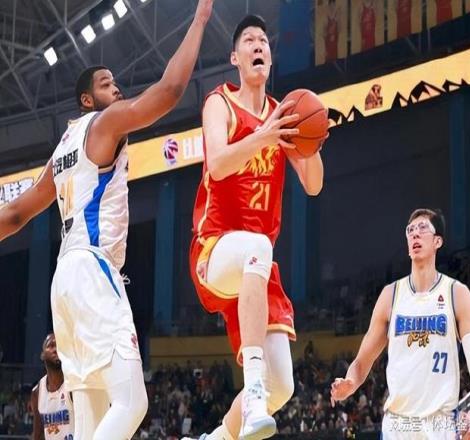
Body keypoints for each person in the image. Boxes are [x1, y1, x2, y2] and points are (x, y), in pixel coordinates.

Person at [0, 1, 213, 438]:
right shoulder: (105, 122)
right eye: (106, 84)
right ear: (87, 99)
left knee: (91, 424)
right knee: (133, 402)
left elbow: (16, 214)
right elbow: (171, 90)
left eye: (115, 83)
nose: (116, 89)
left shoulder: (62, 148)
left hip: (65, 283)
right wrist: (200, 19)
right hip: (93, 271)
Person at [186, 14, 325, 440]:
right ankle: (254, 394)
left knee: (283, 386)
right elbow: (218, 163)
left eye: (263, 40)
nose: (258, 45)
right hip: (215, 250)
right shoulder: (220, 103)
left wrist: (311, 137)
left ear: (269, 57)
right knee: (257, 247)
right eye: (249, 40)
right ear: (235, 57)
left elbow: (314, 185)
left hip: (256, 269)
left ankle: (215, 438)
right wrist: (266, 135)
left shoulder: (284, 116)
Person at [331, 208, 470, 439]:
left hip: (440, 424)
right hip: (397, 426)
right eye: (410, 230)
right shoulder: (390, 295)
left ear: (437, 241)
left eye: (423, 228)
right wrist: (350, 383)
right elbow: (361, 363)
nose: (415, 233)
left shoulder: (457, 293)